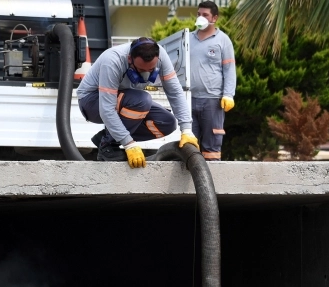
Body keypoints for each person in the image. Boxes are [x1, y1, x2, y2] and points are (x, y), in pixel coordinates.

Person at [77, 37, 199, 168]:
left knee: (167, 122)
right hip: (92, 101)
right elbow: (106, 109)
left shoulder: (161, 56)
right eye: (141, 70)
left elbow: (175, 92)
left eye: (151, 70)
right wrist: (129, 143)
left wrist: (187, 130)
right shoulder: (112, 61)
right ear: (130, 59)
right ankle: (108, 146)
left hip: (128, 99)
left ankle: (107, 137)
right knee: (142, 100)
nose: (146, 75)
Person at [190, 1, 236, 161]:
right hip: (189, 99)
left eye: (205, 15)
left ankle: (211, 181)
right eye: (198, 14)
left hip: (213, 101)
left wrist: (228, 94)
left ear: (214, 18)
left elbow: (230, 70)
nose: (200, 18)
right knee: (189, 145)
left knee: (211, 146)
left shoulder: (223, 40)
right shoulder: (188, 39)